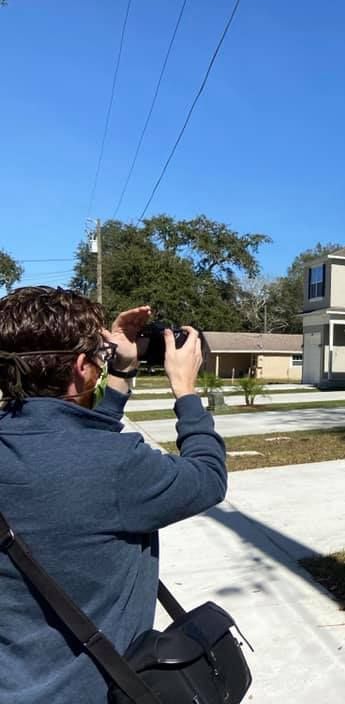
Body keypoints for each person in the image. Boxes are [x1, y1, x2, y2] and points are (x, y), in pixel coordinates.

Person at [0, 286, 228, 703]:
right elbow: (208, 477)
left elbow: (66, 443)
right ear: (84, 367)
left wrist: (120, 376)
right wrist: (187, 392)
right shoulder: (117, 465)